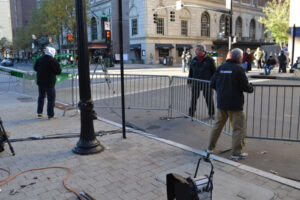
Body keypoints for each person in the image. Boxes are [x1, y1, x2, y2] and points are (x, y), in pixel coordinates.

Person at [206, 48, 253, 160]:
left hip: (222, 103)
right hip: (235, 104)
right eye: (241, 57)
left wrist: (222, 90)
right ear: (239, 57)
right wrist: (251, 88)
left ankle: (209, 148)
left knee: (217, 126)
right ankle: (235, 153)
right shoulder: (239, 69)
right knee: (238, 129)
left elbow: (212, 83)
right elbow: (245, 87)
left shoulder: (221, 67)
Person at [187, 43, 216, 118]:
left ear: (202, 50)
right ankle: (191, 112)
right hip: (196, 82)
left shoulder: (210, 60)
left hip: (207, 83)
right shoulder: (194, 59)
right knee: (193, 98)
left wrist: (214, 83)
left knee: (209, 98)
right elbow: (191, 72)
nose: (195, 51)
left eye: (196, 49)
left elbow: (214, 72)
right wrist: (189, 82)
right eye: (195, 50)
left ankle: (211, 113)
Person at [34, 47, 61, 120]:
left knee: (41, 97)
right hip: (49, 82)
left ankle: (39, 113)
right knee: (51, 99)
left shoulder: (39, 59)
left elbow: (35, 68)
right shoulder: (53, 60)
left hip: (40, 82)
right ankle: (50, 115)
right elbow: (58, 71)